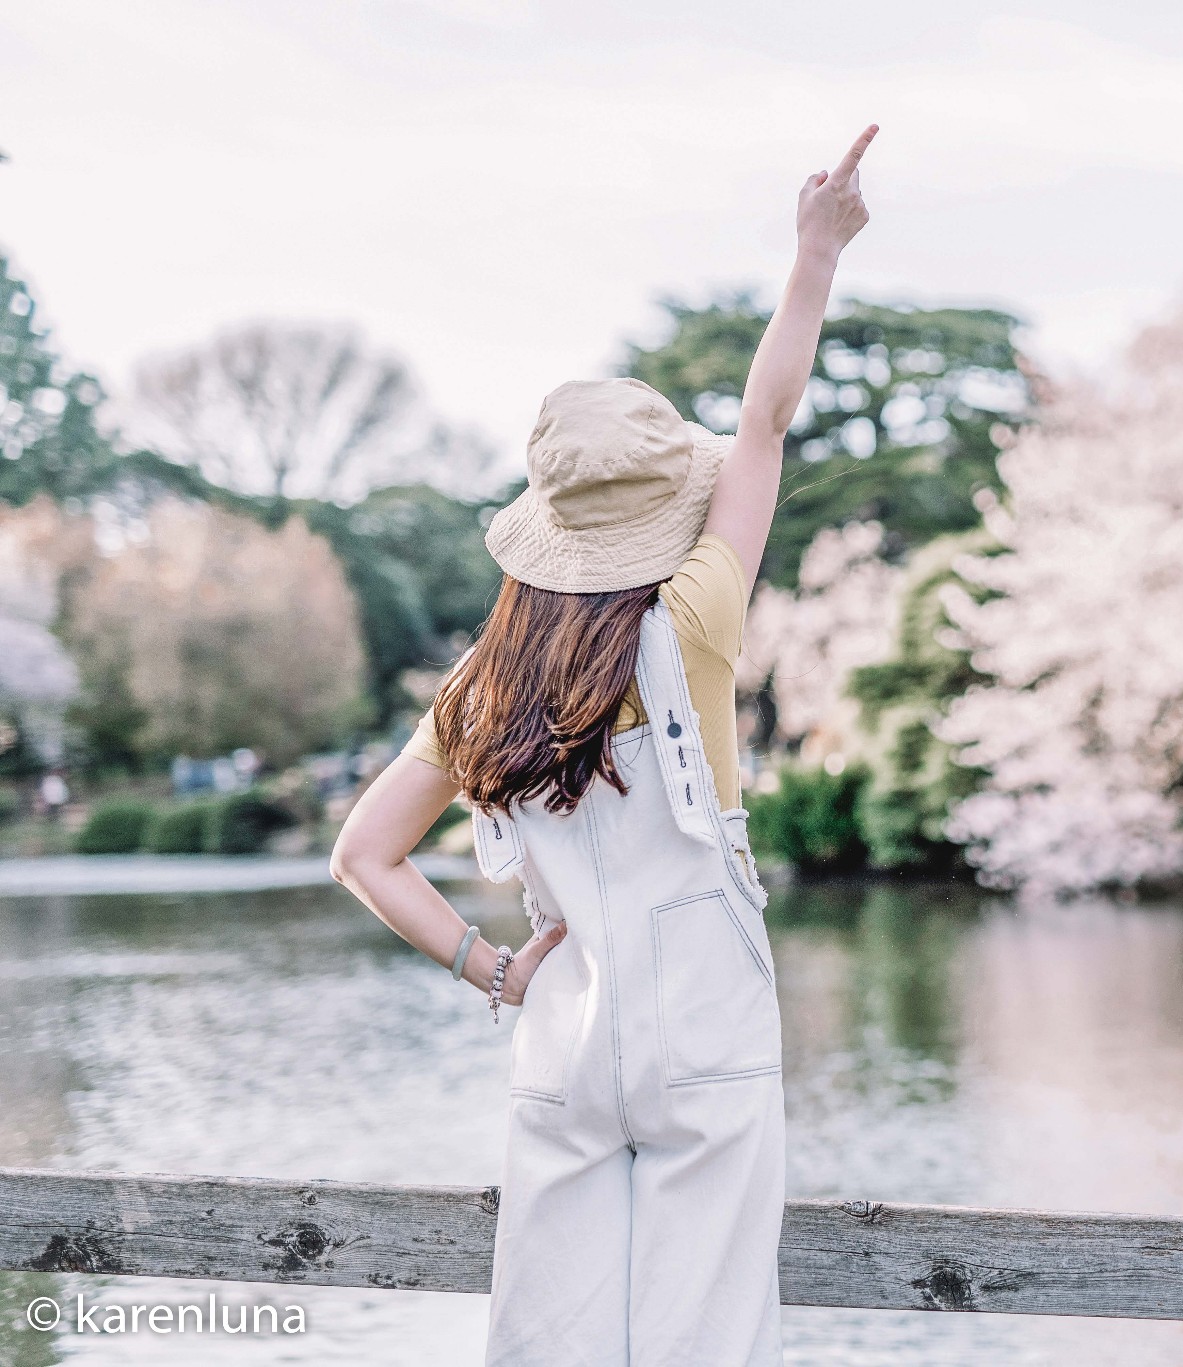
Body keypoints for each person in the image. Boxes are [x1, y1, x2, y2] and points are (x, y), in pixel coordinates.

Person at [330, 124, 877, 1367]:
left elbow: (365, 854)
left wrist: (492, 966)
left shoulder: (481, 687)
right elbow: (765, 423)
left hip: (560, 1037)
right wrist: (813, 253)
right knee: (702, 1339)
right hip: (706, 1040)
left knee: (551, 1339)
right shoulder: (691, 623)